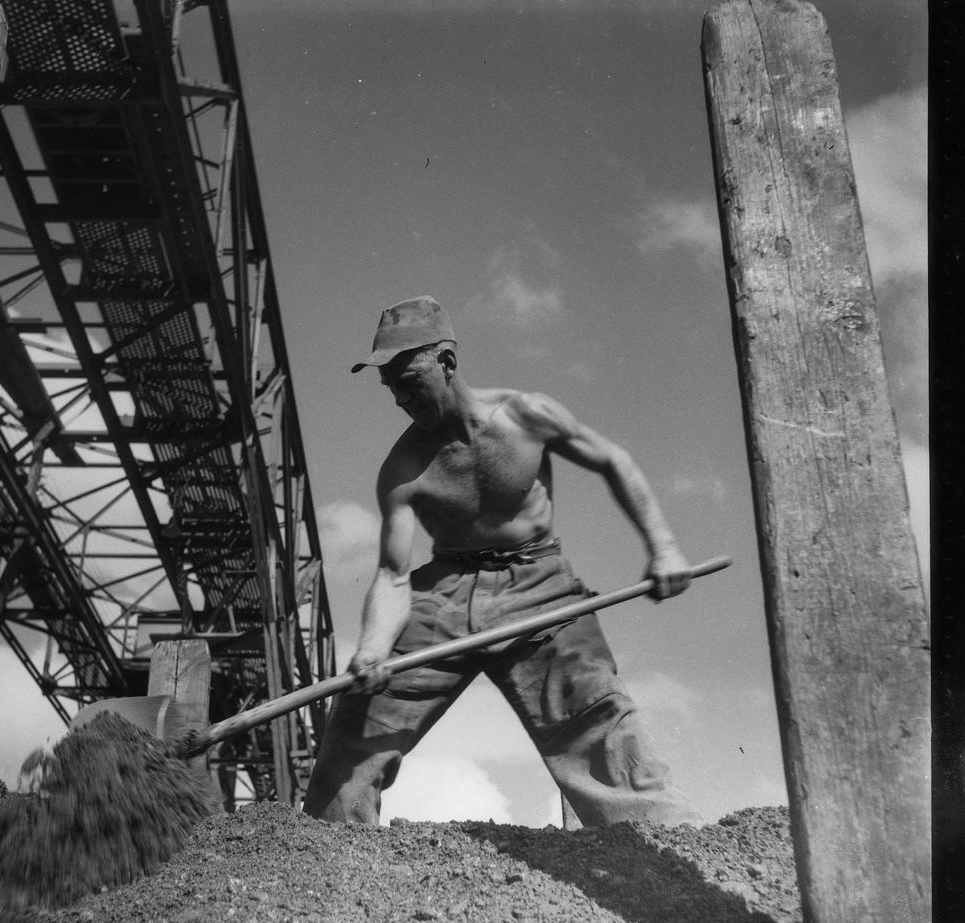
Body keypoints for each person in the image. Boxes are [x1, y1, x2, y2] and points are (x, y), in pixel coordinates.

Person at [302, 295, 704, 828]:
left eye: (409, 378)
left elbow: (613, 459)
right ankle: (327, 858)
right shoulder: (402, 469)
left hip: (538, 580)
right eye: (390, 386)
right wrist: (375, 648)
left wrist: (663, 545)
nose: (399, 396)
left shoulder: (525, 415)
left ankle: (668, 847)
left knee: (596, 716)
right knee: (358, 720)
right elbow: (394, 575)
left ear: (446, 362)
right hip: (443, 593)